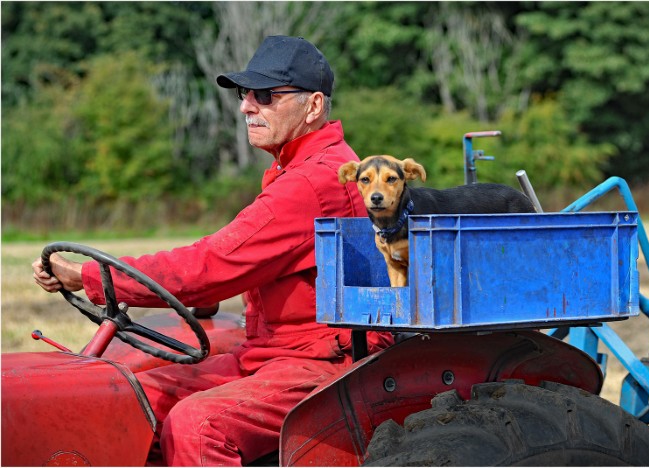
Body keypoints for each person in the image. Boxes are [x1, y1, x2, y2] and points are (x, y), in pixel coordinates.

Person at [33, 35, 393, 466]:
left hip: (322, 361)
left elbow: (210, 265)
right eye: (245, 94)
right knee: (129, 398)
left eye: (265, 96)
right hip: (272, 354)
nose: (246, 107)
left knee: (197, 425)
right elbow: (242, 261)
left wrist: (89, 276)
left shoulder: (312, 182)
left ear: (313, 106)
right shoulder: (300, 169)